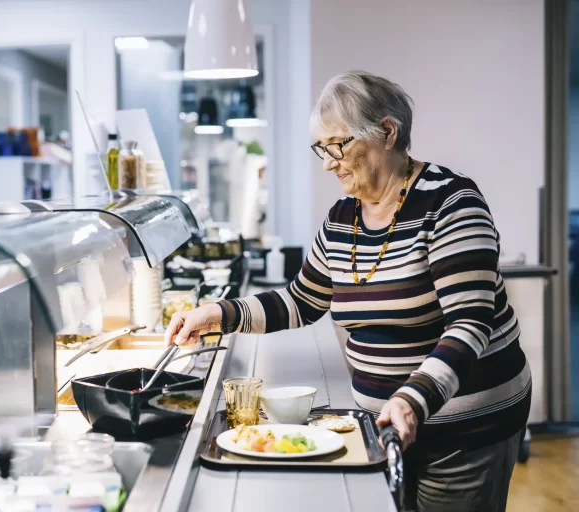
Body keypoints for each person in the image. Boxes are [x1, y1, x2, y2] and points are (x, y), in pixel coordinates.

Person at [164, 71, 531, 512]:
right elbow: (301, 300)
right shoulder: (343, 218)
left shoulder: (451, 203)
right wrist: (216, 315)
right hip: (385, 423)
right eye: (321, 148)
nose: (328, 162)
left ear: (388, 133)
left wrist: (412, 399)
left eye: (337, 145)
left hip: (466, 429)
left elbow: (471, 322)